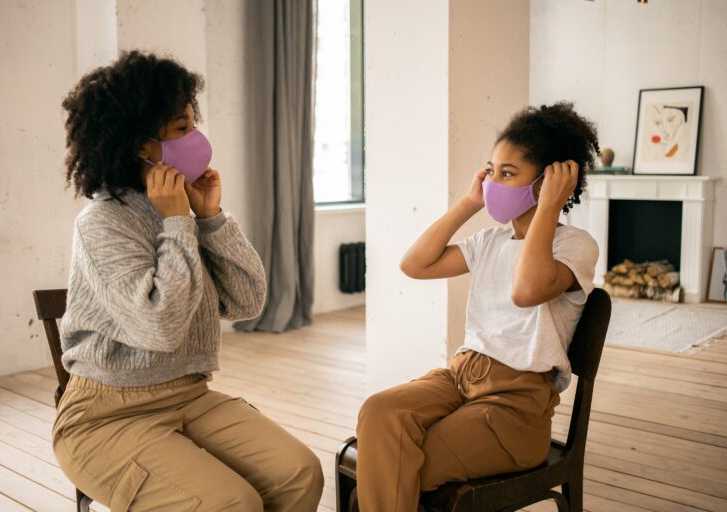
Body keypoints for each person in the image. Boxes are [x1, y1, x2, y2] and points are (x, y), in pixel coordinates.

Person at [52, 50, 323, 511]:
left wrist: (211, 217)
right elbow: (160, 327)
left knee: (300, 473)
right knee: (231, 503)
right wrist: (177, 223)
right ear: (143, 146)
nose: (197, 138)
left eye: (194, 123)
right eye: (182, 128)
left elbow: (248, 301)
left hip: (189, 395)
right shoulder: (102, 222)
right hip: (104, 418)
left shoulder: (184, 204)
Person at [355, 102, 601, 511]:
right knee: (380, 412)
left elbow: (526, 290)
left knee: (400, 460)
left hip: (516, 406)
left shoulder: (575, 246)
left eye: (507, 174)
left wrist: (549, 208)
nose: (493, 183)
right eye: (491, 171)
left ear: (546, 182)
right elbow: (414, 264)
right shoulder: (490, 241)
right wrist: (469, 204)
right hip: (460, 377)